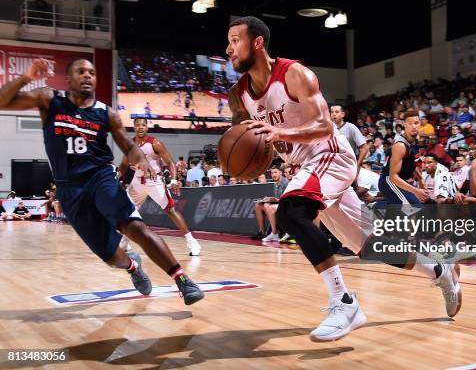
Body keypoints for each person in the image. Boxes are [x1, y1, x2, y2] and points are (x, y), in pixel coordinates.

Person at [226, 17, 461, 342]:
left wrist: (279, 131)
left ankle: (345, 303)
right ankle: (440, 271)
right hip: (300, 168)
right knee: (372, 246)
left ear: (257, 43)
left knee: (290, 213)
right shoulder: (238, 94)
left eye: (235, 40)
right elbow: (248, 138)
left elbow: (324, 126)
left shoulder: (294, 74)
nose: (228, 49)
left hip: (328, 155)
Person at [0, 58, 203, 305]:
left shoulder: (106, 113)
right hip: (69, 188)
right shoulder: (49, 99)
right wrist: (27, 77)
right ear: (68, 78)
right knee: (109, 256)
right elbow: (3, 100)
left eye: (92, 72)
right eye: (81, 71)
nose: (87, 76)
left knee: (136, 228)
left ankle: (182, 280)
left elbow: (129, 146)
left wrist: (140, 161)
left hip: (100, 178)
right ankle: (132, 266)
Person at [118, 118, 201, 256]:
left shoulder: (155, 143)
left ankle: (192, 242)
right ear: (134, 127)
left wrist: (174, 180)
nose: (140, 127)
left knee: (170, 210)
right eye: (138, 125)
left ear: (147, 127)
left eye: (143, 125)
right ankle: (125, 241)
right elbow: (123, 164)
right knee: (128, 211)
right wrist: (117, 174)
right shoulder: (130, 144)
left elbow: (170, 163)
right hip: (137, 182)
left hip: (154, 180)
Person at [253, 166, 289, 242]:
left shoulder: (286, 183)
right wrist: (269, 199)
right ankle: (262, 232)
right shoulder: (275, 184)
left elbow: (287, 200)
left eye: (275, 172)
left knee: (267, 206)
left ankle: (274, 233)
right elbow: (278, 199)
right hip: (278, 204)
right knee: (258, 205)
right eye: (272, 173)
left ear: (281, 173)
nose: (273, 174)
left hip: (286, 206)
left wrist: (275, 200)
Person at [330, 105, 368, 171]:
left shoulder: (350, 127)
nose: (334, 114)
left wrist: (357, 165)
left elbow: (365, 148)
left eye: (336, 112)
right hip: (333, 166)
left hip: (348, 166)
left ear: (343, 114)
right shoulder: (329, 129)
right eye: (332, 112)